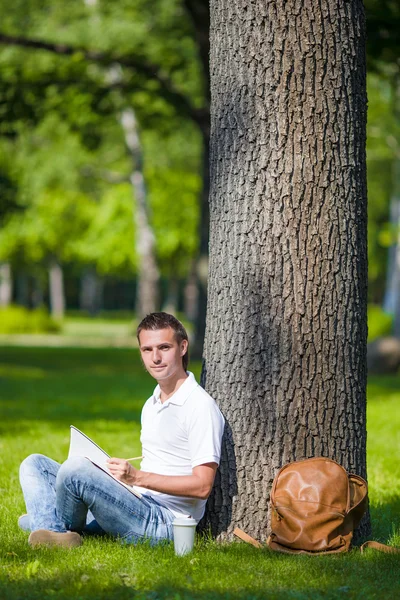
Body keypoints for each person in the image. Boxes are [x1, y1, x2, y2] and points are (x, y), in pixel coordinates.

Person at [19, 312, 225, 547]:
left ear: (183, 347)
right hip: (136, 500)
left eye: (164, 347)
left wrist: (137, 477)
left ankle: (47, 525)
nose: (155, 357)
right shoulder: (152, 403)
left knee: (75, 469)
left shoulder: (200, 406)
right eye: (147, 350)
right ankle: (51, 527)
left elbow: (202, 486)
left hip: (165, 522)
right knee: (34, 464)